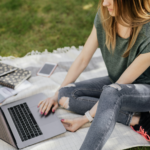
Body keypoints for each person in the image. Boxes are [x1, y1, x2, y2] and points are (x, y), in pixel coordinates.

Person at [38, 0, 150, 149]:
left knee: (111, 92)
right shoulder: (106, 16)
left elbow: (120, 85)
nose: (104, 3)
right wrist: (55, 94)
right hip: (117, 83)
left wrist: (85, 119)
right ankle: (135, 119)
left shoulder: (147, 33)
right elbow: (83, 58)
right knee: (65, 94)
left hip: (144, 91)